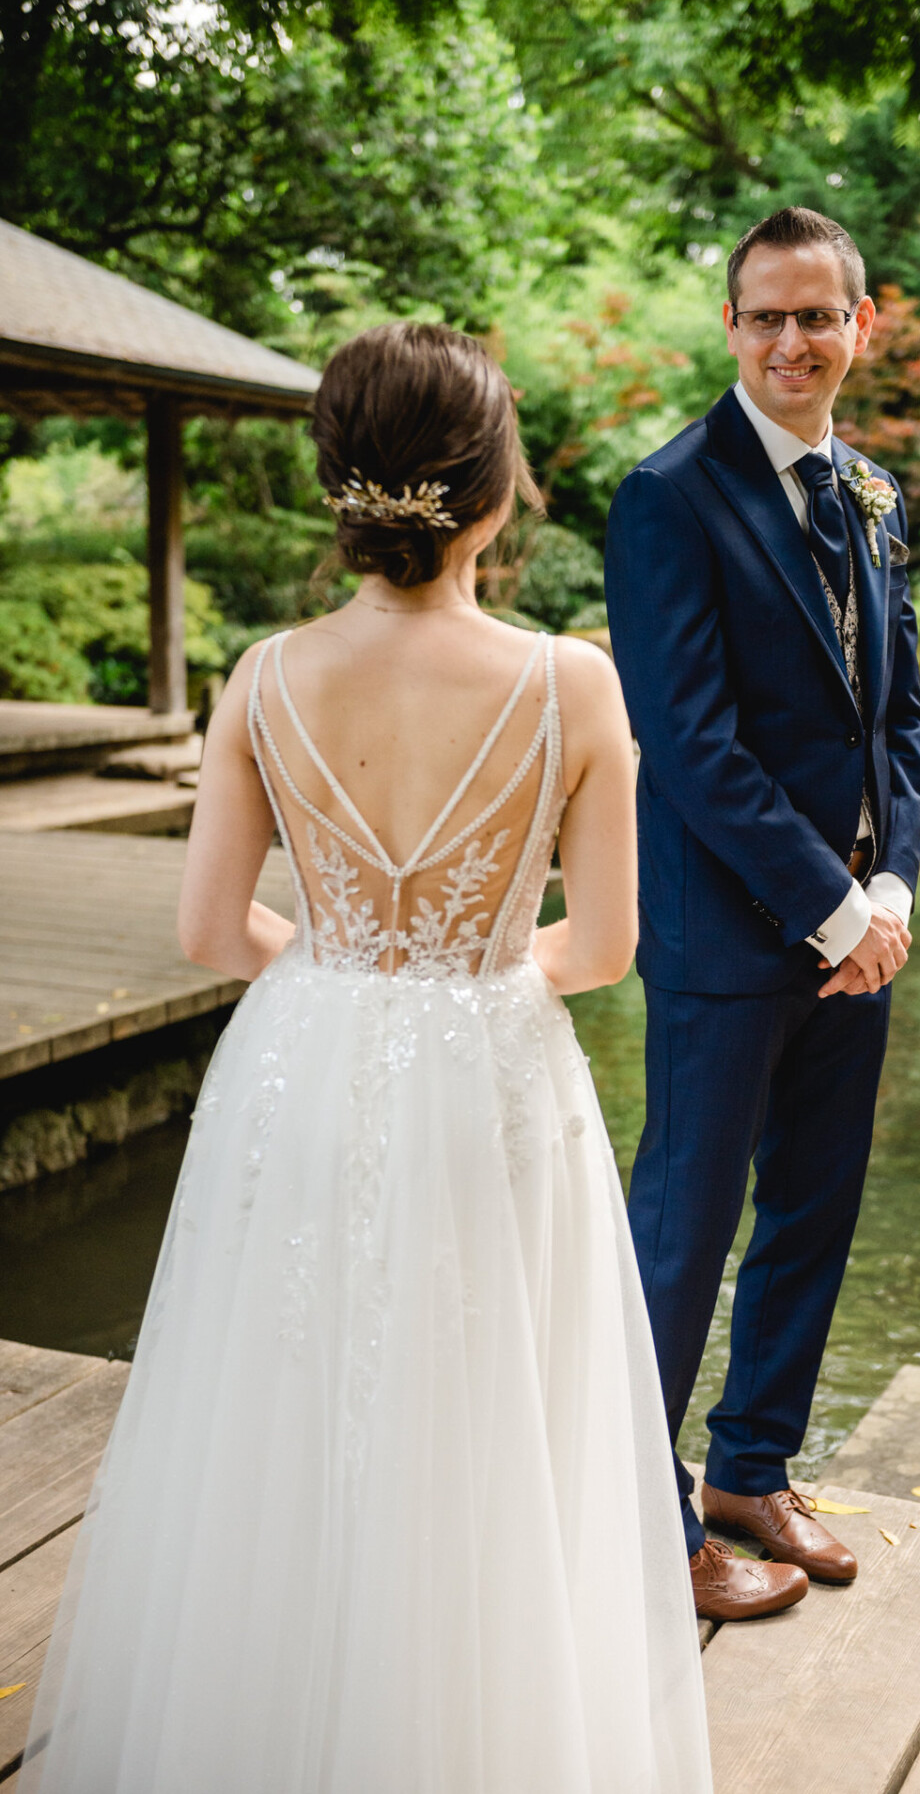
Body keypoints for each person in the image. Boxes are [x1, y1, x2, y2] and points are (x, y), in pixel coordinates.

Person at [21, 323, 712, 1793]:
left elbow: (212, 929)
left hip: (307, 1067)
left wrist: (354, 985)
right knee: (489, 1414)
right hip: (495, 1083)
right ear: (499, 492)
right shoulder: (572, 688)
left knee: (279, 1399)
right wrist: (457, 989)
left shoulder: (264, 681)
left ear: (341, 486)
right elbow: (600, 949)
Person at [605, 207, 920, 1623]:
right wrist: (825, 906)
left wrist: (894, 884)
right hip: (729, 938)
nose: (792, 342)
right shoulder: (668, 495)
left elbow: (901, 723)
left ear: (861, 325)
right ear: (730, 328)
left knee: (813, 1209)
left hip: (860, 937)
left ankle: (751, 1471)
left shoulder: (873, 491)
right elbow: (690, 745)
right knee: (684, 1230)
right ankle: (637, 1521)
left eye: (819, 316)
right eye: (765, 317)